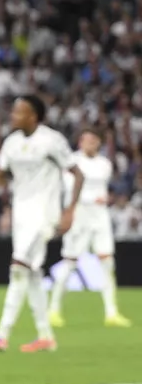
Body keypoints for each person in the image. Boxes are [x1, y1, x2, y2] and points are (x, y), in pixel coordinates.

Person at [0, 95, 84, 353]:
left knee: (19, 267)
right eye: (14, 111)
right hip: (22, 214)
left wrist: (70, 210)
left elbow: (77, 173)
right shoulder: (12, 143)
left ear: (33, 116)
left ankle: (1, 333)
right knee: (33, 272)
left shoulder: (51, 140)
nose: (13, 116)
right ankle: (45, 336)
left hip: (46, 213)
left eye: (19, 112)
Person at [48, 129, 131, 328]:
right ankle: (53, 310)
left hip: (100, 217)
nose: (89, 144)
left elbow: (101, 187)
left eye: (94, 140)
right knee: (69, 263)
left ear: (99, 143)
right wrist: (92, 199)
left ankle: (111, 313)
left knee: (108, 263)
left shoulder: (105, 164)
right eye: (86, 140)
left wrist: (99, 200)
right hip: (78, 215)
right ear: (80, 142)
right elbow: (69, 189)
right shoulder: (72, 162)